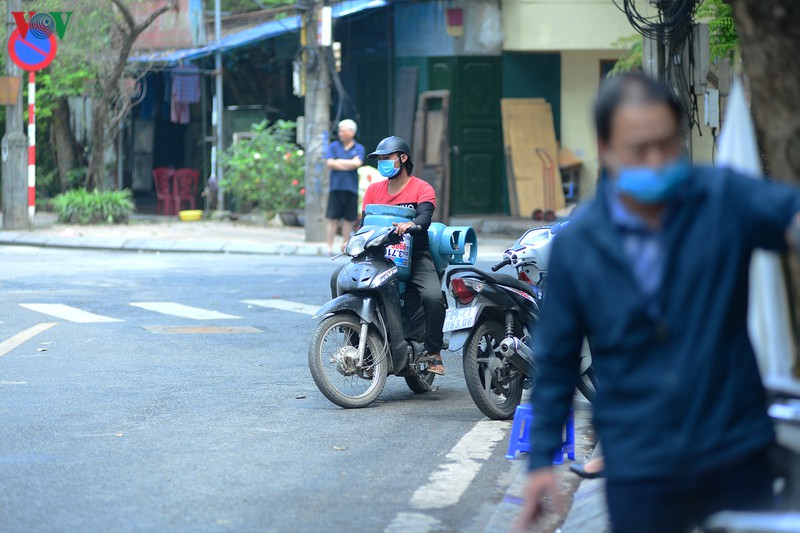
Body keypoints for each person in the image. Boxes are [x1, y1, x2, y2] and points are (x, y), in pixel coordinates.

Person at [518, 72, 800, 532]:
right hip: (638, 465)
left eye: (667, 145)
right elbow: (556, 361)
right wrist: (541, 463)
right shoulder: (581, 244)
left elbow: (788, 213)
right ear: (605, 147)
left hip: (735, 450)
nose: (657, 161)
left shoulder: (721, 198)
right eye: (639, 150)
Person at [362, 136, 446, 376]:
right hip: (378, 255)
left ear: (403, 158)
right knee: (340, 278)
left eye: (386, 158)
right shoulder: (373, 190)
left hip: (415, 254)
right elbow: (363, 224)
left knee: (432, 296)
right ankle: (357, 338)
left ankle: (433, 351)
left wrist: (411, 226)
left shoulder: (422, 188)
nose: (382, 163)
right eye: (379, 159)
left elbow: (424, 218)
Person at [325, 119, 365, 255]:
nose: (340, 133)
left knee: (348, 219)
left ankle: (345, 246)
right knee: (332, 218)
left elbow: (357, 163)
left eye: (343, 130)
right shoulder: (334, 146)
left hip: (351, 188)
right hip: (335, 187)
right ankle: (329, 246)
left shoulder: (359, 148)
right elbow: (330, 163)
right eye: (340, 130)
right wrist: (349, 163)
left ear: (352, 132)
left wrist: (339, 162)